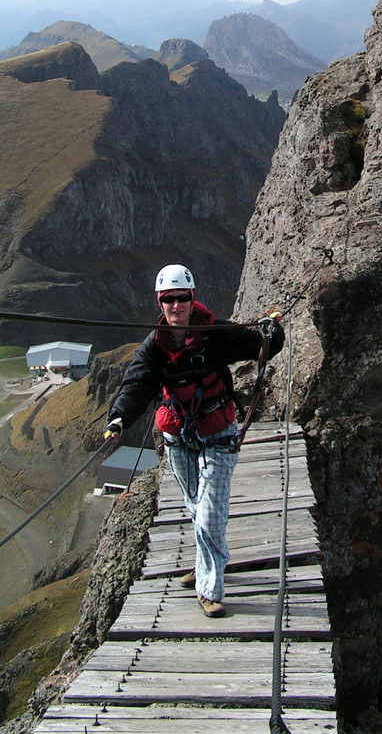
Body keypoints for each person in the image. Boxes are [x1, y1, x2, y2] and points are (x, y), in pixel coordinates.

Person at [104, 263, 284, 618]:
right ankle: (205, 562)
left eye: (181, 298)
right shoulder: (154, 347)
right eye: (168, 299)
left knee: (210, 514)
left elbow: (259, 345)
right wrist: (119, 416)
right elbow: (138, 383)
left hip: (217, 431)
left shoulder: (214, 333)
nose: (175, 305)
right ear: (160, 302)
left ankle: (209, 590)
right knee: (194, 506)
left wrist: (271, 330)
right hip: (178, 437)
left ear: (191, 298)